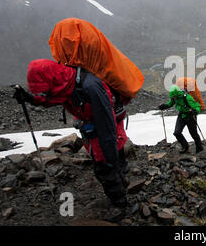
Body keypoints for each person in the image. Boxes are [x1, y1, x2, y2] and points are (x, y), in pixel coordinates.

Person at [13, 59, 129, 208]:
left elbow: (107, 125)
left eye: (46, 88)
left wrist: (108, 155)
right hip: (94, 129)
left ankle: (121, 205)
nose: (46, 92)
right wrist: (30, 98)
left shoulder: (90, 87)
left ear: (51, 80)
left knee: (105, 168)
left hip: (104, 130)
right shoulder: (64, 82)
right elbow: (52, 97)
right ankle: (122, 183)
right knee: (108, 164)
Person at [158, 85, 203, 154]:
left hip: (190, 116)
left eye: (174, 96)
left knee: (194, 134)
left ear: (178, 94)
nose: (173, 98)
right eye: (172, 96)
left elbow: (197, 106)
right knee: (177, 132)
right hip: (181, 115)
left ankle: (200, 149)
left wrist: (195, 111)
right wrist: (165, 106)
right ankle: (185, 146)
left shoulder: (187, 98)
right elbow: (170, 103)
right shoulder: (174, 97)